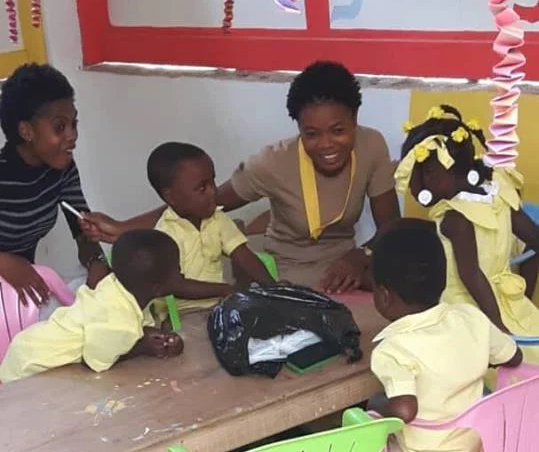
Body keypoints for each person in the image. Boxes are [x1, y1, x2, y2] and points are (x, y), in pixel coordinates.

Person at [79, 62, 400, 292]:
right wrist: (122, 228)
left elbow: (390, 228)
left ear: (355, 120)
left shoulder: (372, 146)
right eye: (311, 134)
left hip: (348, 267)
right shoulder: (272, 162)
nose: (326, 144)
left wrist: (361, 256)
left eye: (339, 131)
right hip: (289, 274)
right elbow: (202, 202)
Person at [369, 218, 521, 452]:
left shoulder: (392, 348)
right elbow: (513, 357)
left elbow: (405, 409)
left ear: (384, 296)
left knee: (367, 445)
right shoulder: (469, 318)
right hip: (473, 448)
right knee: (409, 440)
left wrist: (376, 404)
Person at [395, 104, 539, 362]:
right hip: (510, 305)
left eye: (418, 176)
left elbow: (471, 275)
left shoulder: (455, 218)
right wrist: (522, 298)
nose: (415, 188)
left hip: (469, 314)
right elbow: (536, 241)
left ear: (432, 172)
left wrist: (500, 330)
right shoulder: (499, 194)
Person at [0, 229, 183, 383]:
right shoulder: (119, 320)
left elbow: (138, 326)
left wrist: (156, 335)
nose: (181, 273)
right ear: (158, 289)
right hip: (30, 369)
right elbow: (96, 361)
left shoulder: (114, 285)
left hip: (27, 346)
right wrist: (143, 348)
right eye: (177, 270)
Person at [0, 63, 109, 308]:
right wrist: (4, 262)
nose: (72, 136)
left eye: (74, 124)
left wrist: (96, 261)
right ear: (27, 131)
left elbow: (82, 230)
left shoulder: (63, 169)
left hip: (17, 298)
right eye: (60, 127)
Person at [147, 142, 274, 314]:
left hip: (220, 304)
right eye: (201, 188)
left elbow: (243, 255)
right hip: (185, 314)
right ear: (171, 197)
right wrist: (223, 289)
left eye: (212, 181)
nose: (212, 192)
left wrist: (273, 288)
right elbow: (176, 285)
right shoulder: (165, 235)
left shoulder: (217, 218)